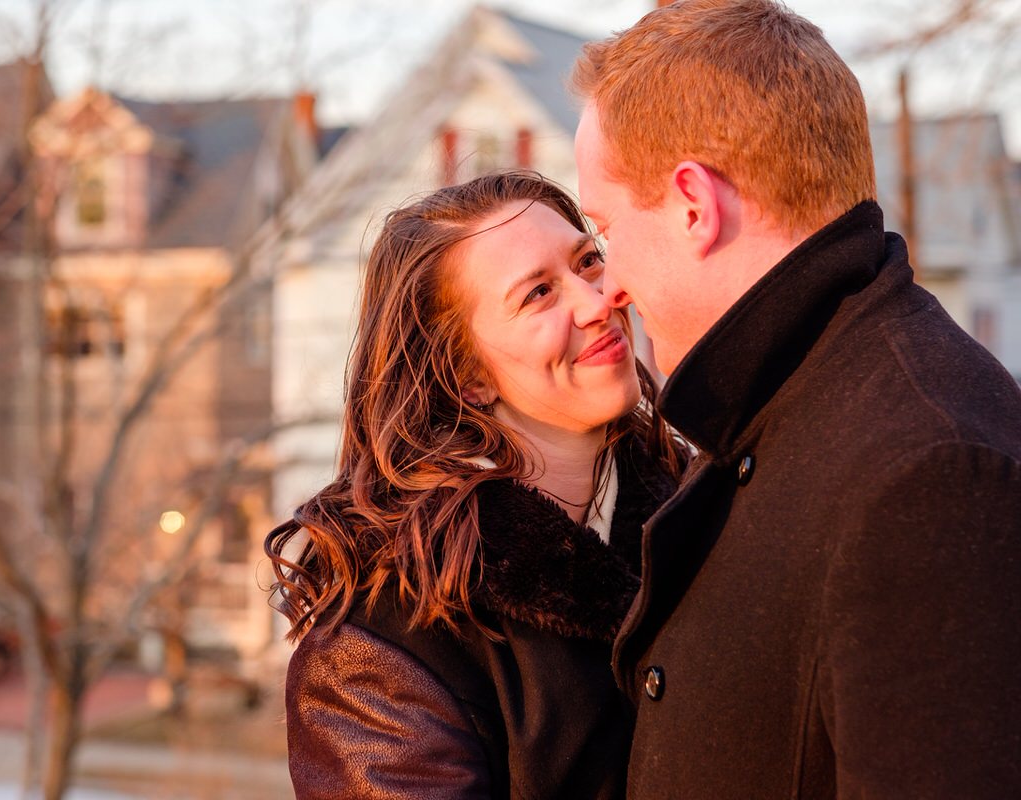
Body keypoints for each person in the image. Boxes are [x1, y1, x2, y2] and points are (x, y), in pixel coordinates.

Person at [571, 1, 1021, 797]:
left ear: (692, 205)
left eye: (605, 235)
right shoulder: (784, 400)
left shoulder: (929, 470)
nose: (608, 289)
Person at [265, 171, 685, 799]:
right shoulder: (379, 649)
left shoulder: (706, 514)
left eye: (588, 261)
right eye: (539, 293)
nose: (600, 302)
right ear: (467, 377)